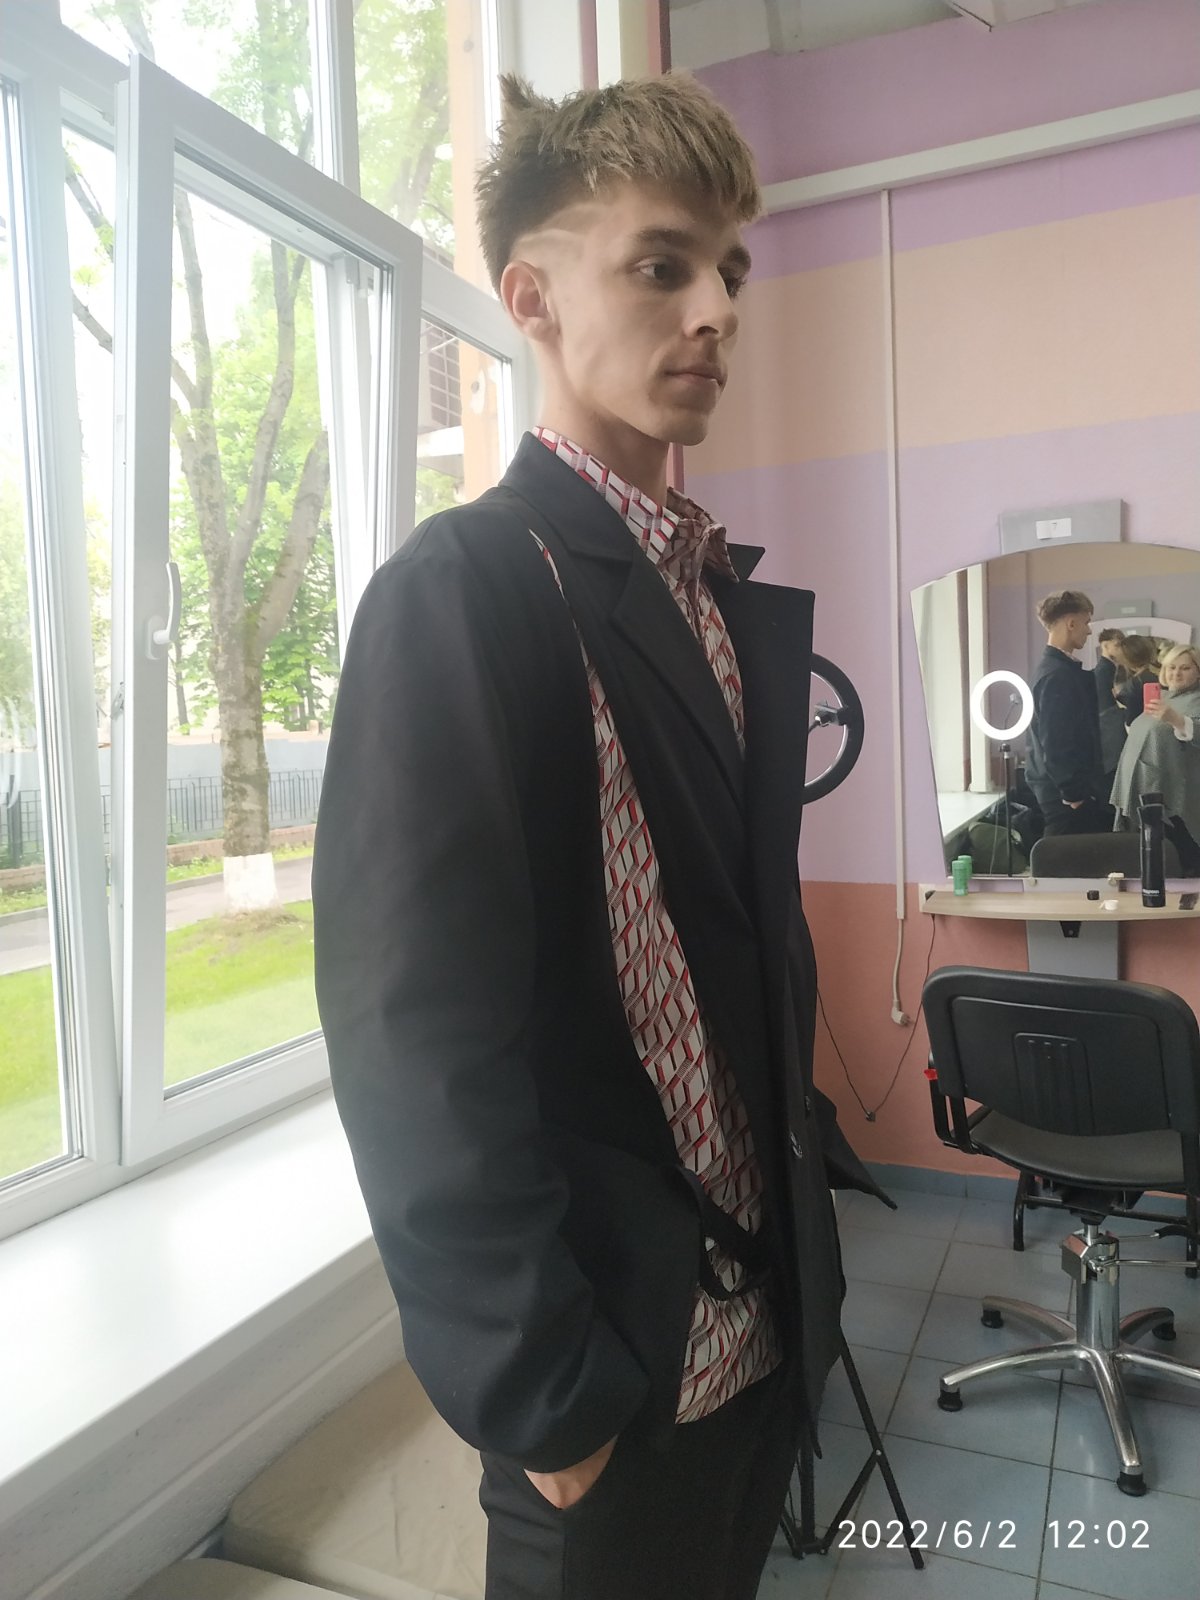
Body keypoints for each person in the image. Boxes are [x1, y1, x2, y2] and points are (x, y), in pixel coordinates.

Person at [311, 72, 887, 1600]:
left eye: (730, 271)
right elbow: (412, 1034)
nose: (716, 311)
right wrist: (544, 1398)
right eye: (660, 265)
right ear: (532, 299)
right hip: (614, 1390)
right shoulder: (465, 590)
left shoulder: (704, 596)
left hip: (761, 1338)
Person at [1025, 590, 1111, 836]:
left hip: (1062, 790)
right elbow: (1056, 740)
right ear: (1071, 623)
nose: (1089, 631)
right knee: (1066, 856)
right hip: (1066, 796)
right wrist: (1073, 793)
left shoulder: (1053, 670)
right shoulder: (1057, 675)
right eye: (1086, 622)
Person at [1112, 643, 1200, 873]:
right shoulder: (1162, 697)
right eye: (1171, 667)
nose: (1176, 673)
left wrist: (1177, 720)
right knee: (1148, 864)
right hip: (1144, 791)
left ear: (1198, 671)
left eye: (1185, 668)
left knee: (1180, 863)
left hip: (1176, 796)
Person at [1093, 627, 1127, 793]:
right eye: (1117, 645)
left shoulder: (1111, 669)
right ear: (1105, 646)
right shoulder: (1103, 671)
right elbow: (1107, 707)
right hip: (1109, 730)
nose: (1121, 649)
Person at [1112, 634, 1163, 728]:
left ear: (1126, 660)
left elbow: (1130, 721)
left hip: (1141, 728)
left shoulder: (1134, 684)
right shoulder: (1162, 677)